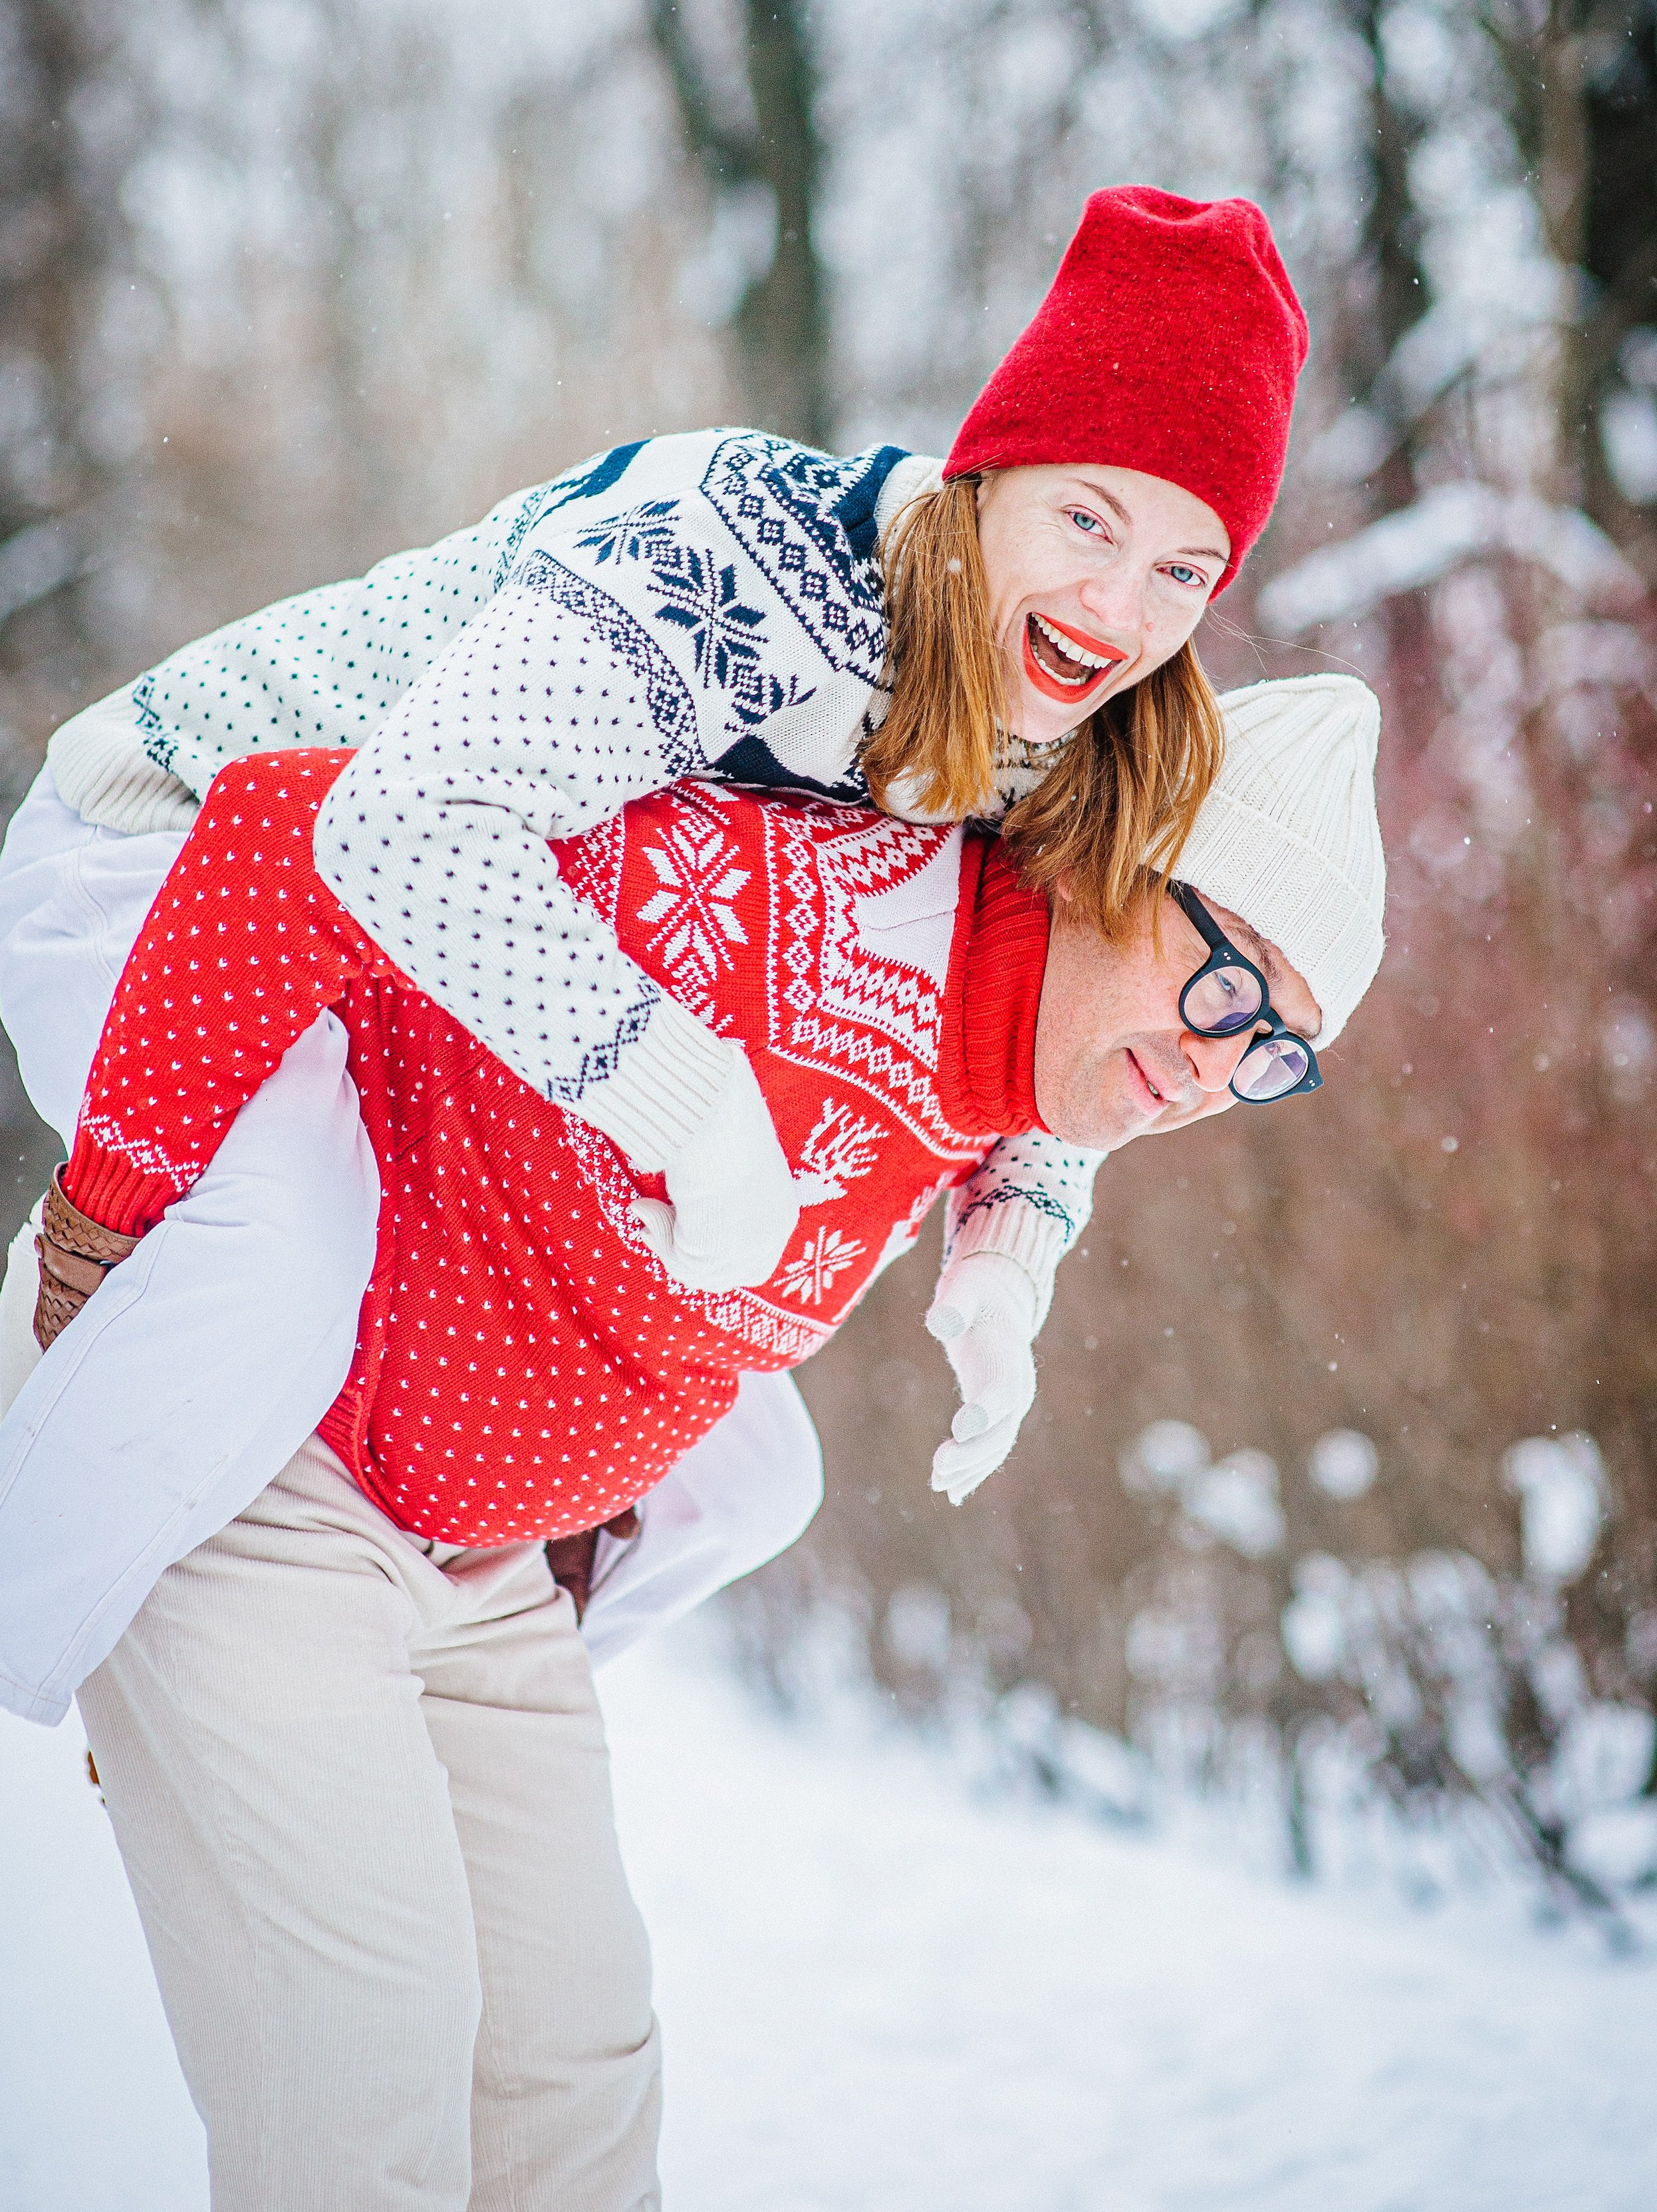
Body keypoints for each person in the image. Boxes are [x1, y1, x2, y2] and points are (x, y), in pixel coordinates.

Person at [0, 674, 1384, 2211]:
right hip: (272, 1479)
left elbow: (1057, 1103)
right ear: (1103, 855)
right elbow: (290, 827)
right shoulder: (767, 889)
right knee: (361, 2068)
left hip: (495, 1571)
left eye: (1278, 1052)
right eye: (1228, 989)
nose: (1216, 1069)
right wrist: (97, 1235)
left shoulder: (1022, 1064)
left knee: (572, 2094)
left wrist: (999, 1270)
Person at [38, 184, 1308, 1439]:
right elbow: (397, 825)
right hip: (167, 854)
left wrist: (1008, 1250)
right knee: (277, 1280)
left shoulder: (1072, 719)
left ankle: (465, 1606)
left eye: (1182, 573)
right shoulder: (736, 550)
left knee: (744, 1473)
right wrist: (696, 1115)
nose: (1117, 610)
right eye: (1090, 519)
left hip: (383, 972)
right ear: (989, 476)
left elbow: (1100, 994)